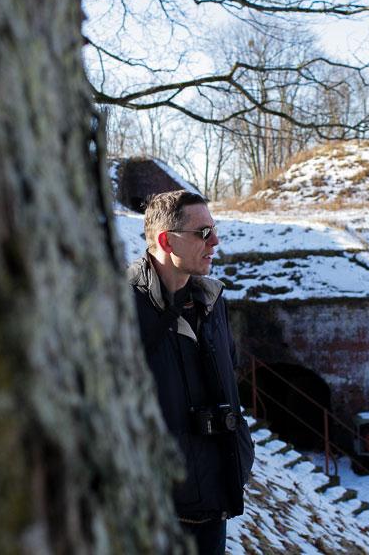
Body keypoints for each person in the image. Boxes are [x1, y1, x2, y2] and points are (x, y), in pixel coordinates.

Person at [127, 190, 254, 555]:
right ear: (166, 240)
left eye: (213, 230)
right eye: (203, 233)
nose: (215, 242)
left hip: (215, 502)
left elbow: (229, 388)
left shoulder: (212, 301)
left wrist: (241, 451)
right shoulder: (121, 306)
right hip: (157, 517)